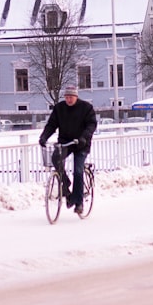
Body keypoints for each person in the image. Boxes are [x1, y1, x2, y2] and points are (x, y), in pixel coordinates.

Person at [39, 85, 97, 214]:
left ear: (76, 97)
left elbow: (91, 124)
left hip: (81, 143)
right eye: (67, 97)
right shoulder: (59, 108)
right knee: (55, 159)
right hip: (65, 142)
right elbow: (51, 125)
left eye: (71, 97)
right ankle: (65, 185)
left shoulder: (86, 108)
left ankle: (78, 202)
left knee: (78, 170)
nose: (69, 100)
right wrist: (44, 137)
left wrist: (84, 137)